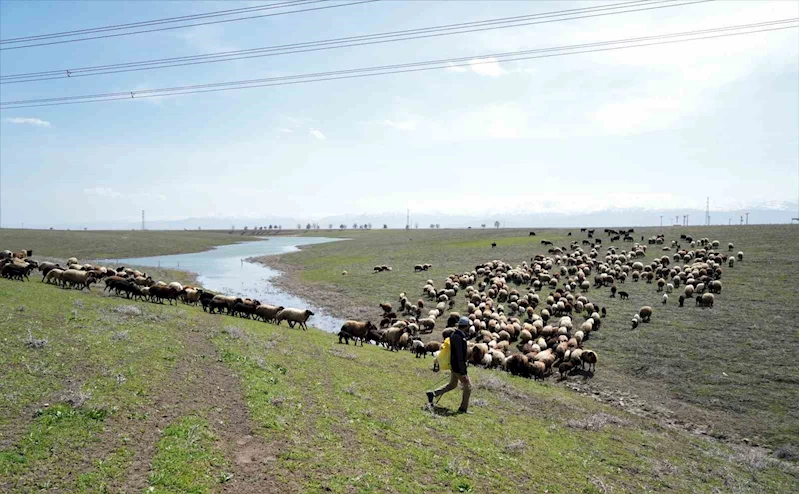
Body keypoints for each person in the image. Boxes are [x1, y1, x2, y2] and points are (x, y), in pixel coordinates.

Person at [427, 317, 471, 413]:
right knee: (468, 387)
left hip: (453, 364)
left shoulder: (454, 334)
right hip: (458, 367)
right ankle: (463, 409)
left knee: (452, 384)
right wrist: (463, 372)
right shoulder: (460, 338)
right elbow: (459, 355)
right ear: (466, 326)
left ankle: (433, 393)